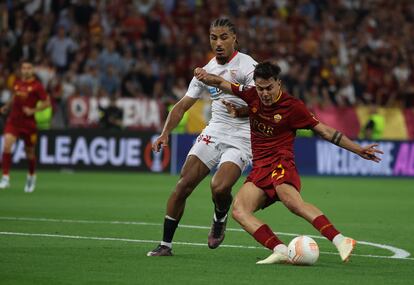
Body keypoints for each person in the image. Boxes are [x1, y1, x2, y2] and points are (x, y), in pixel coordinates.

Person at [194, 62, 383, 264]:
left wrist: (358, 149)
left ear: (279, 84)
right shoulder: (251, 95)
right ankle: (280, 249)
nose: (264, 93)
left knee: (292, 202)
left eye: (269, 88)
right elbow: (222, 82)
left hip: (281, 162)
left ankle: (341, 240)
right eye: (260, 88)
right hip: (260, 168)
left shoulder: (293, 107)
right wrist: (203, 75)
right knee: (239, 210)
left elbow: (326, 131)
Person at [147, 18, 257, 256]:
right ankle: (165, 244)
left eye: (223, 37)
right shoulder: (205, 71)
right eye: (213, 37)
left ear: (235, 39)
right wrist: (165, 133)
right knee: (183, 185)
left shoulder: (248, 66)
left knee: (219, 187)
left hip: (242, 136)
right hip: (215, 130)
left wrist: (241, 109)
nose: (218, 43)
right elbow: (181, 106)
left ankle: (220, 215)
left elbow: (262, 103)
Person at [0, 61, 51, 192]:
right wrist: (6, 106)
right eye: (24, 68)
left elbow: (47, 103)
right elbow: (14, 97)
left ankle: (31, 176)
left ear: (33, 70)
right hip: (14, 121)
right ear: (21, 70)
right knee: (7, 145)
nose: (26, 70)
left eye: (28, 68)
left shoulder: (37, 86)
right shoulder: (17, 82)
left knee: (30, 153)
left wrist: (33, 110)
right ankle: (5, 177)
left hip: (28, 124)